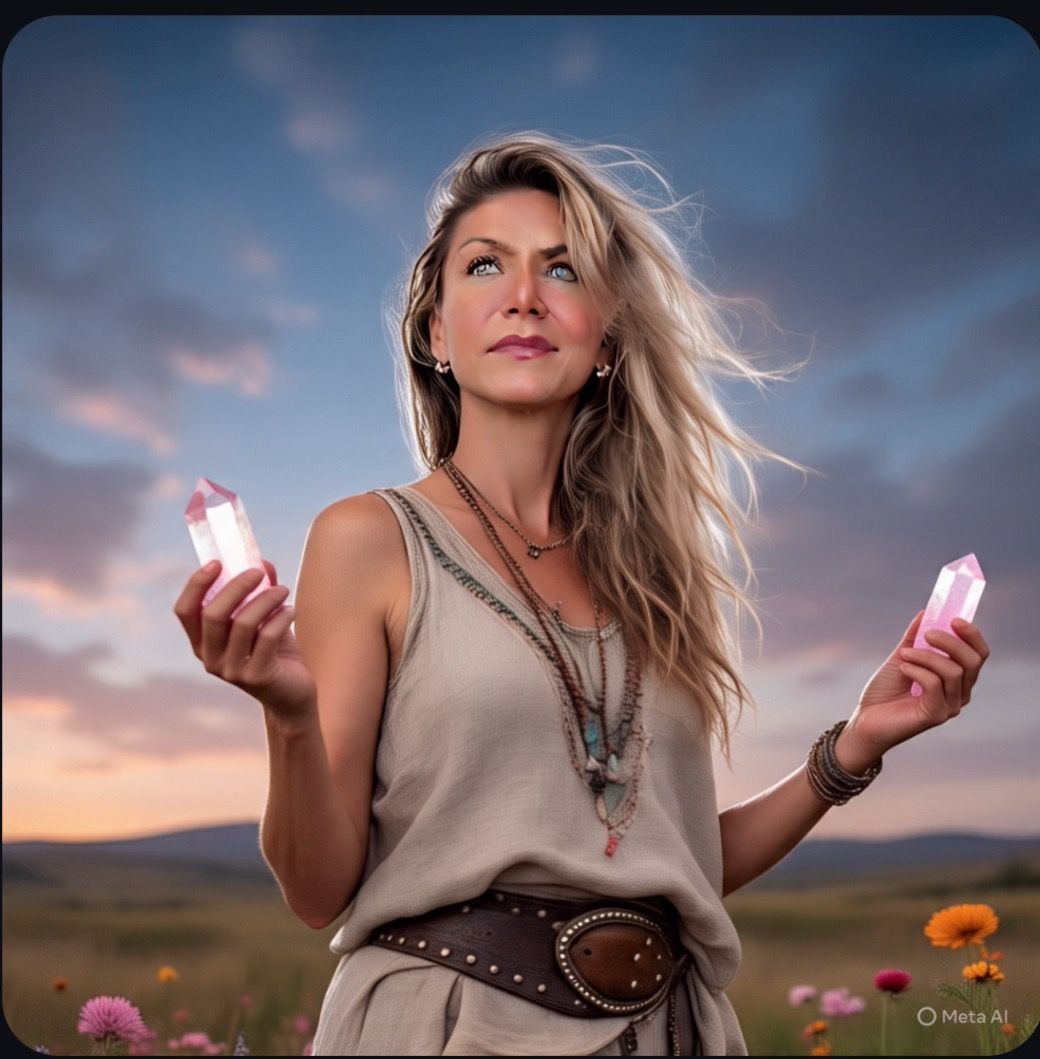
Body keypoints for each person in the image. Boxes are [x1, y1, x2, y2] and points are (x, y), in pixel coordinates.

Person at [174, 132, 990, 1056]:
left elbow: (675, 860)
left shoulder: (657, 573)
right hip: (447, 1029)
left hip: (673, 1030)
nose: (524, 295)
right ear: (437, 332)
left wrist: (855, 744)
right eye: (486, 266)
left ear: (606, 334)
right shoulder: (371, 539)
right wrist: (289, 714)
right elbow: (318, 890)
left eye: (562, 269)